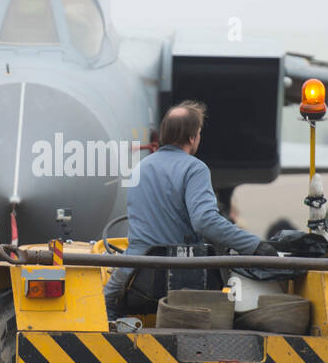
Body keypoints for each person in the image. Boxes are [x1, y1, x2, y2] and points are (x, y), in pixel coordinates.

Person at [104, 100, 274, 318]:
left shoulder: (140, 168)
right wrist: (255, 245)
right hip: (177, 280)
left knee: (104, 311)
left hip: (133, 277)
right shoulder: (195, 168)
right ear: (193, 137)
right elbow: (205, 222)